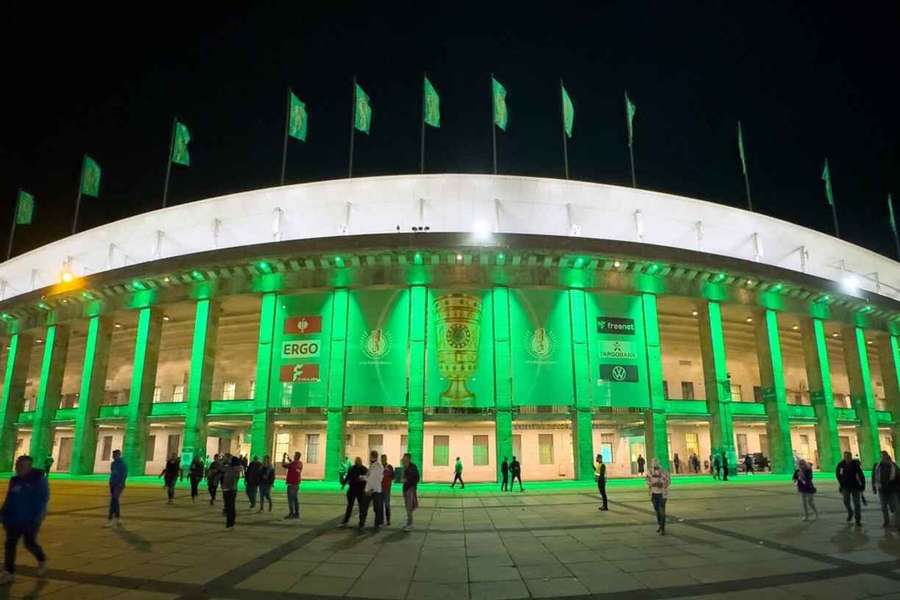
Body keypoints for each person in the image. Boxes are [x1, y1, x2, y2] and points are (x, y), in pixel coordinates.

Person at [0, 456, 49, 584]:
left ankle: (42, 560)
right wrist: (3, 514)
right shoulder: (14, 480)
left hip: (30, 520)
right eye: (19, 465)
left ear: (30, 467)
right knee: (10, 545)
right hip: (13, 519)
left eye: (25, 466)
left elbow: (42, 500)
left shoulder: (38, 481)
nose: (21, 468)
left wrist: (36, 518)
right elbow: (9, 499)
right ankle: (9, 572)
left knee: (29, 543)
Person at [835, 451, 865, 526]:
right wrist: (841, 483)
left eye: (848, 456)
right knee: (846, 501)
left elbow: (860, 474)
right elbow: (838, 475)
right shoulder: (841, 465)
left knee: (857, 504)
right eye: (845, 456)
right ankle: (850, 512)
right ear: (844, 457)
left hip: (855, 486)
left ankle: (858, 519)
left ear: (851, 457)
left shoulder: (855, 464)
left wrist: (862, 484)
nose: (847, 458)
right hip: (845, 486)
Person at [872, 451, 899, 529]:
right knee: (883, 507)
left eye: (884, 456)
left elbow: (898, 476)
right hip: (881, 489)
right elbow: (874, 477)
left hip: (892, 490)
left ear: (887, 457)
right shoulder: (877, 466)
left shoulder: (893, 466)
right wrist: (874, 486)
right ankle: (886, 521)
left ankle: (898, 524)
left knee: (896, 507)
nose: (882, 458)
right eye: (881, 456)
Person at [360, 450, 385, 531]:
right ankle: (365, 524)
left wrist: (370, 489)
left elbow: (374, 479)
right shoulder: (373, 465)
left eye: (370, 456)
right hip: (373, 489)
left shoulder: (377, 466)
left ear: (372, 456)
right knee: (368, 508)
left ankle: (374, 525)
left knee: (371, 508)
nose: (369, 457)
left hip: (373, 490)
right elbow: (371, 476)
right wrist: (364, 477)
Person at [340, 457, 367, 527]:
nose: (358, 462)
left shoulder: (363, 469)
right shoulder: (353, 468)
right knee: (350, 506)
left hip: (359, 490)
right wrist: (343, 484)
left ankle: (361, 521)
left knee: (360, 506)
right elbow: (348, 477)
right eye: (357, 461)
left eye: (358, 461)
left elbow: (367, 478)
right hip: (353, 489)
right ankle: (347, 520)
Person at [646, 458, 670, 535]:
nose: (655, 464)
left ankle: (663, 528)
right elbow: (647, 481)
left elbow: (668, 480)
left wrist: (662, 484)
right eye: (653, 463)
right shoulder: (649, 471)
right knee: (657, 511)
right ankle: (660, 525)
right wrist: (652, 484)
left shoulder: (664, 471)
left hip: (662, 494)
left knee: (662, 511)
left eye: (656, 463)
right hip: (654, 494)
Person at [106, 449, 127, 527]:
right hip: (112, 483)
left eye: (114, 455)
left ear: (118, 455)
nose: (113, 456)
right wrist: (111, 481)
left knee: (113, 500)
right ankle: (117, 518)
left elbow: (125, 474)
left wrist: (121, 483)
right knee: (115, 500)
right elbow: (112, 472)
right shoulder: (113, 464)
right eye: (113, 455)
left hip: (119, 485)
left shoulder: (122, 464)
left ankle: (110, 519)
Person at [221, 456, 241, 529]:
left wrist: (224, 461)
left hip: (230, 489)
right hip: (230, 489)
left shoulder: (233, 469)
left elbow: (222, 468)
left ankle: (230, 523)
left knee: (230, 507)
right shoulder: (233, 468)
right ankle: (230, 523)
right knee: (230, 507)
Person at [401, 453, 420, 531]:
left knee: (409, 507)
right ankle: (409, 522)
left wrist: (407, 480)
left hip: (410, 489)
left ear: (408, 459)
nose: (403, 459)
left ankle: (410, 524)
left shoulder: (413, 467)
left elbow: (417, 478)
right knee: (407, 507)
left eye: (405, 458)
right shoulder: (405, 467)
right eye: (403, 458)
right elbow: (402, 478)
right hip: (405, 489)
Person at [281, 451, 303, 520]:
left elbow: (284, 465)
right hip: (296, 484)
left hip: (291, 484)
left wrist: (284, 457)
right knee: (295, 499)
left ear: (296, 456)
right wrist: (289, 459)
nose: (294, 456)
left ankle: (291, 513)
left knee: (290, 499)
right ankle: (297, 513)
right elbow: (293, 464)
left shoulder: (293, 464)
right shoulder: (300, 463)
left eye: (294, 455)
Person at [381, 454, 394, 526]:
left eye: (384, 458)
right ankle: (381, 520)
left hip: (386, 488)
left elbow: (393, 476)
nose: (383, 460)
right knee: (380, 505)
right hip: (380, 488)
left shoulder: (389, 467)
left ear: (386, 459)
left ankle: (388, 519)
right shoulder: (379, 467)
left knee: (387, 504)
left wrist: (387, 473)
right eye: (382, 459)